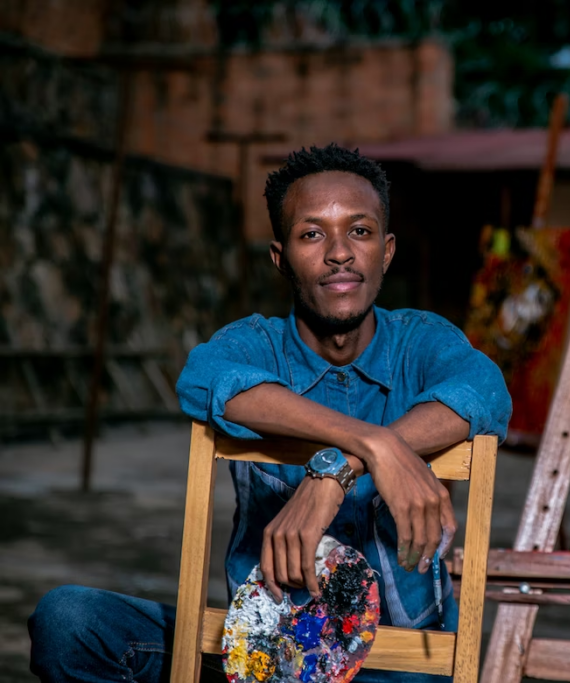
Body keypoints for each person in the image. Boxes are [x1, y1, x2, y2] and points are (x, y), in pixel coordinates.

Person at [27, 145, 512, 683]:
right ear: (281, 258)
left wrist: (335, 471)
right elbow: (204, 378)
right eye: (312, 234)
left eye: (360, 231)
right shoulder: (255, 345)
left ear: (386, 250)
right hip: (263, 656)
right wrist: (375, 446)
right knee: (69, 620)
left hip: (396, 665)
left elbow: (485, 390)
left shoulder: (421, 343)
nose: (339, 253)